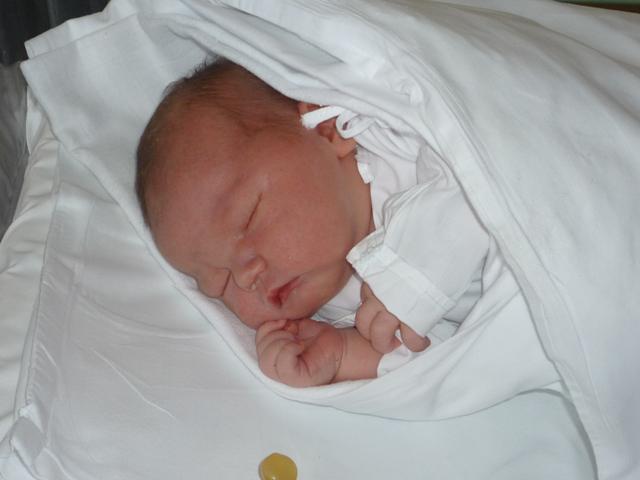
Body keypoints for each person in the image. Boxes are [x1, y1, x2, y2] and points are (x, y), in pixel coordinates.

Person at [135, 58, 490, 387]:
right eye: (221, 282)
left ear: (326, 129)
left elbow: (485, 163)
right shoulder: (336, 309)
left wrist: (410, 275)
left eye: (248, 219)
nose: (244, 277)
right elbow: (458, 359)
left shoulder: (401, 146)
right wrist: (345, 354)